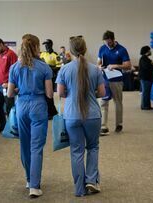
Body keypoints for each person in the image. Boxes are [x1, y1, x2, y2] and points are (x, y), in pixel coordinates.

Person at [56, 36, 105, 197]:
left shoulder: (64, 69)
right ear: (85, 49)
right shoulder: (95, 69)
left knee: (76, 151)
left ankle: (79, 189)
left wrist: (73, 92)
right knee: (93, 147)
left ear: (70, 51)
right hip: (92, 115)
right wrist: (90, 92)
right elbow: (102, 93)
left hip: (72, 115)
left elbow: (61, 93)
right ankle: (91, 179)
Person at [7, 34, 53, 198]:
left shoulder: (14, 67)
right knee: (36, 147)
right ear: (36, 47)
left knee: (24, 145)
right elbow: (49, 94)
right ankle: (34, 185)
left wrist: (22, 89)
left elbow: (10, 93)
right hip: (38, 106)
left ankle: (28, 179)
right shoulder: (44, 67)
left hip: (21, 106)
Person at [97, 30, 131, 135]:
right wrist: (99, 66)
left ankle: (119, 124)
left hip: (117, 80)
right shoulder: (102, 48)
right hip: (105, 80)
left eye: (109, 42)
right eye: (105, 42)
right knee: (103, 102)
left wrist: (116, 65)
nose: (107, 44)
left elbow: (128, 65)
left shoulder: (122, 50)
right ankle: (103, 126)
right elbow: (98, 62)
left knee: (117, 102)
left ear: (113, 39)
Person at [0, 38, 18, 134]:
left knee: (9, 107)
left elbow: (16, 71)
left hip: (8, 86)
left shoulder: (11, 54)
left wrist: (10, 83)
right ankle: (2, 126)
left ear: (1, 44)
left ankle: (11, 127)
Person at [40, 39, 59, 119]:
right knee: (43, 95)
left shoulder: (55, 55)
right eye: (45, 45)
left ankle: (51, 112)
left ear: (51, 45)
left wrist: (49, 68)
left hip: (51, 77)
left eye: (47, 45)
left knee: (49, 95)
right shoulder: (43, 54)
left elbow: (59, 66)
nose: (46, 46)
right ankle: (47, 111)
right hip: (42, 77)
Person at [138, 46, 153, 110]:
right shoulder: (144, 59)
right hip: (145, 78)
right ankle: (145, 106)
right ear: (146, 51)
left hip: (147, 78)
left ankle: (146, 105)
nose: (150, 51)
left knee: (146, 92)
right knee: (146, 92)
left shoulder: (145, 58)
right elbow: (147, 67)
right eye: (149, 50)